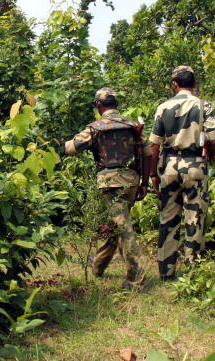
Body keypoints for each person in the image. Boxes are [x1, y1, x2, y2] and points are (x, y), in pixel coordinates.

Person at [65, 87, 151, 289]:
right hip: (131, 181)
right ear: (116, 104)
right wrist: (145, 183)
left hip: (110, 183)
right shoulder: (132, 125)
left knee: (123, 228)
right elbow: (148, 154)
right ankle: (98, 265)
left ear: (99, 105)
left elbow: (71, 149)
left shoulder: (96, 127)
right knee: (115, 225)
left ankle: (137, 277)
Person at [149, 66, 215, 280]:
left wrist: (153, 174)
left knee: (168, 218)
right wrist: (209, 158)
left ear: (175, 84)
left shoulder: (163, 108)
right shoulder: (204, 105)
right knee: (195, 218)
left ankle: (166, 271)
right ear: (194, 84)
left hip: (169, 165)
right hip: (195, 163)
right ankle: (192, 272)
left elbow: (153, 146)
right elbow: (214, 140)